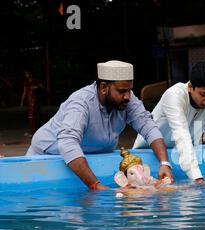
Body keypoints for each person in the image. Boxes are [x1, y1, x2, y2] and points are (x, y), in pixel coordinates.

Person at [26, 60, 173, 191]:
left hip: (87, 158)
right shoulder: (81, 103)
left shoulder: (128, 99)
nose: (128, 96)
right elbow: (68, 144)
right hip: (46, 157)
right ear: (103, 87)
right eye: (122, 91)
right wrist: (95, 185)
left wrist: (164, 163)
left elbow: (148, 126)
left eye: (129, 89)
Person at [20, 70, 45, 136]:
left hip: (35, 101)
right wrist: (22, 101)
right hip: (30, 100)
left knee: (36, 116)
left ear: (30, 74)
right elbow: (24, 92)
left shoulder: (35, 81)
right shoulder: (26, 82)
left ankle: (36, 131)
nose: (26, 75)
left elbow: (42, 87)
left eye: (27, 74)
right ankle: (32, 131)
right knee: (30, 117)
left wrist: (36, 87)